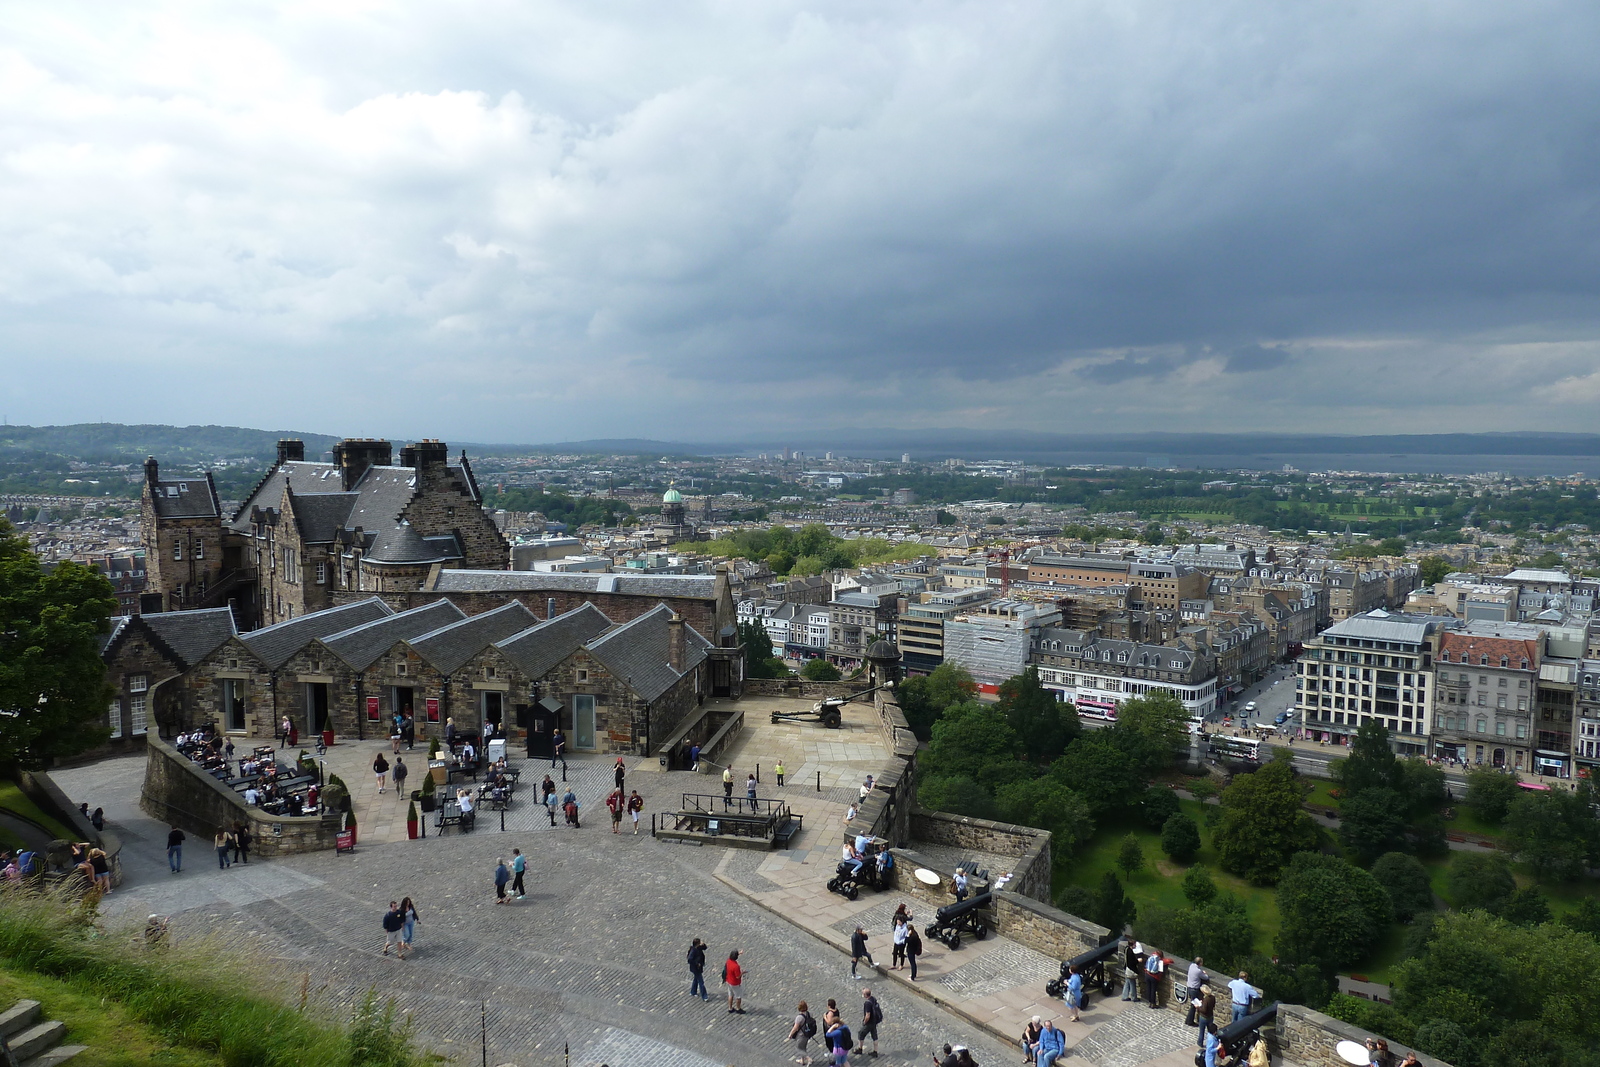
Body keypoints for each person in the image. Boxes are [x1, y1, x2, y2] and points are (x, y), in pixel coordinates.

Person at [790, 1000, 817, 1065]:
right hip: (807, 1034)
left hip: (801, 1035)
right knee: (803, 1047)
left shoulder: (799, 1017)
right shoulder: (809, 1013)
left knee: (799, 1048)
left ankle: (808, 1058)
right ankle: (802, 1061)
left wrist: (790, 1034)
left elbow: (795, 1028)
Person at [1185, 956, 1209, 1026]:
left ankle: (1188, 1020)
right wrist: (1204, 973)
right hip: (1194, 990)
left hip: (1189, 988)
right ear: (1200, 963)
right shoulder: (1198, 971)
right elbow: (1206, 977)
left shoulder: (1191, 966)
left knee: (1192, 1005)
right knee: (1194, 1006)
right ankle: (1190, 1021)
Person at [858, 988, 882, 1058]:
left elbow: (867, 1015)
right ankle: (875, 1051)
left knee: (861, 1033)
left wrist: (864, 1022)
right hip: (874, 1021)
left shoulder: (867, 1003)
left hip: (869, 1023)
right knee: (874, 1036)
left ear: (865, 995)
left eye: (863, 993)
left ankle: (860, 1049)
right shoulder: (873, 999)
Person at [722, 949, 744, 1014]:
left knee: (730, 995)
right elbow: (737, 976)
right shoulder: (736, 966)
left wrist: (739, 953)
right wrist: (742, 973)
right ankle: (738, 1008)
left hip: (728, 981)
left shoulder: (728, 961)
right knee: (738, 996)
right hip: (735, 983)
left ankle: (730, 1008)